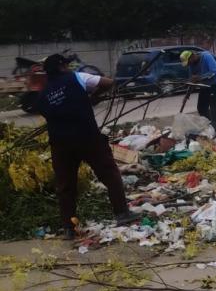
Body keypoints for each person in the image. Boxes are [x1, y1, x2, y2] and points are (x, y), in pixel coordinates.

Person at [34, 54, 139, 239]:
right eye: (66, 65)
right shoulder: (76, 77)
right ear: (61, 66)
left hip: (60, 144)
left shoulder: (43, 94)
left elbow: (48, 112)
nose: (68, 67)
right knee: (109, 174)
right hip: (87, 137)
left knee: (65, 186)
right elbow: (108, 83)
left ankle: (69, 228)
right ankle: (122, 213)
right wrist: (92, 97)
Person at [180, 50, 216, 132]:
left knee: (214, 108)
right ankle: (209, 124)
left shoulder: (206, 56)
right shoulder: (191, 65)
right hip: (204, 85)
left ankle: (215, 130)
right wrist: (187, 95)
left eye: (189, 62)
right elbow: (192, 81)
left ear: (192, 56)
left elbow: (214, 72)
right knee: (201, 107)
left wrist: (199, 78)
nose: (189, 65)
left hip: (215, 85)